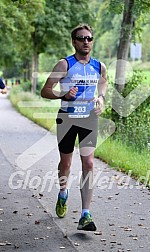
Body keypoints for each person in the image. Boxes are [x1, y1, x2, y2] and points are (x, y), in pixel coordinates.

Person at [41, 24, 107, 231]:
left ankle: (85, 215)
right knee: (66, 164)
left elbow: (103, 82)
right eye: (81, 38)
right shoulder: (64, 65)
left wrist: (102, 99)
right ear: (74, 42)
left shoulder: (99, 66)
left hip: (89, 118)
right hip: (67, 118)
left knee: (88, 163)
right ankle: (63, 194)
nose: (86, 42)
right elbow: (45, 90)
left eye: (89, 38)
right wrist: (63, 94)